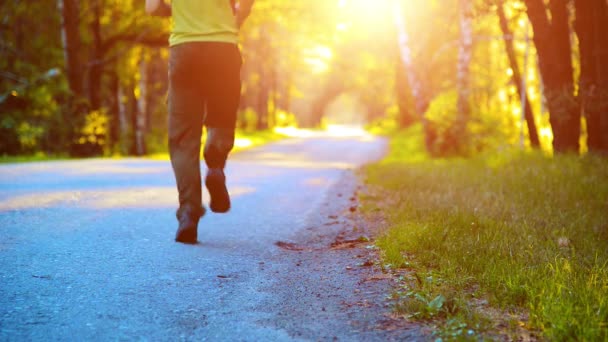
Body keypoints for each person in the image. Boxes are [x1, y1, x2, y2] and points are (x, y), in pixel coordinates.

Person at [145, 0, 254, 243]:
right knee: (222, 117)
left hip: (185, 48)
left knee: (183, 137)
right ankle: (215, 164)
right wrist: (237, 19)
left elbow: (152, 7)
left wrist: (181, 11)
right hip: (223, 48)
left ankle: (188, 213)